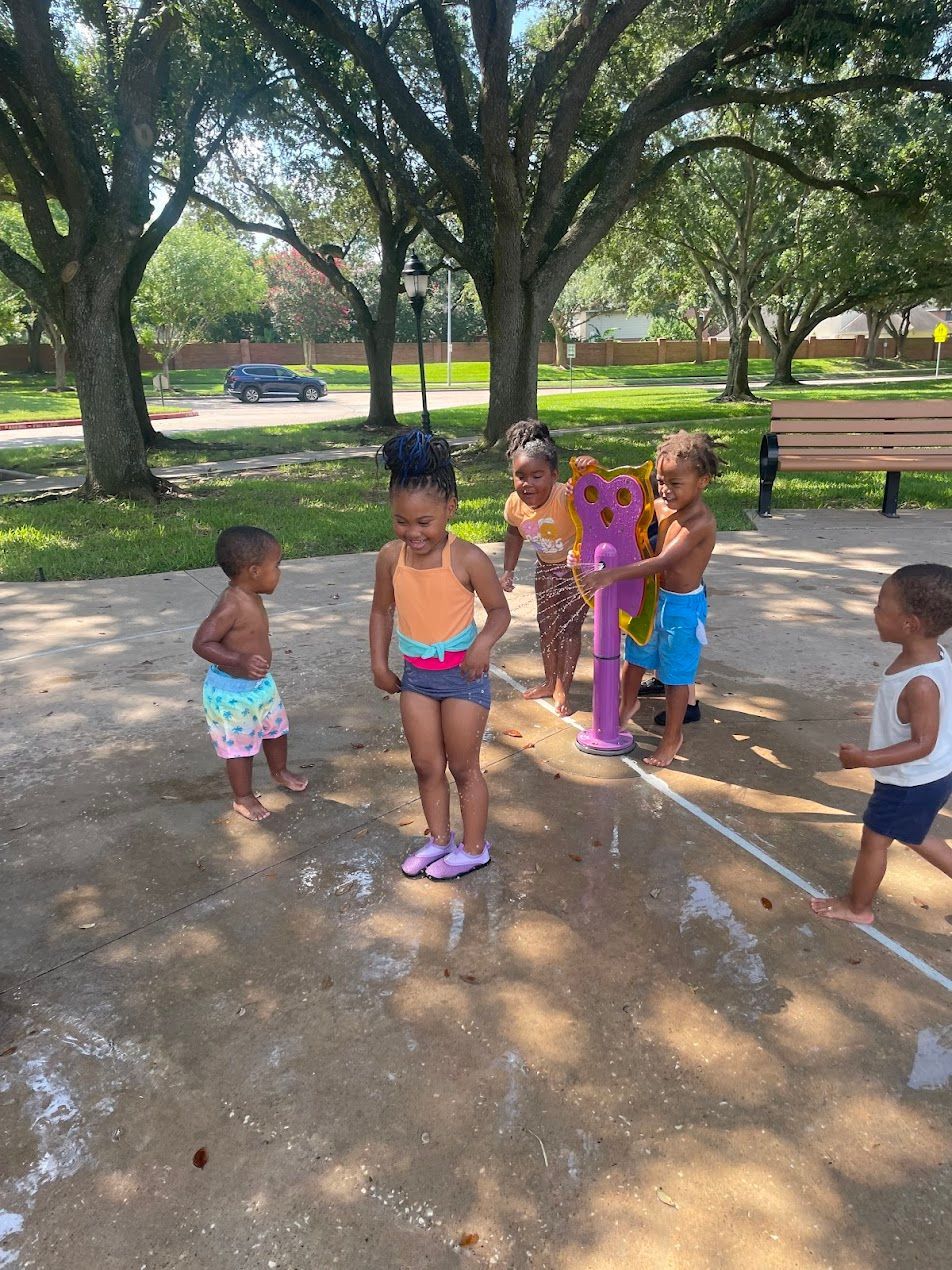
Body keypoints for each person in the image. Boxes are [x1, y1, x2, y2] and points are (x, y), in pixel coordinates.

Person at [370, 428, 511, 881]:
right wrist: (378, 662)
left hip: (463, 678)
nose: (413, 533)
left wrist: (481, 645)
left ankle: (474, 848)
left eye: (424, 522)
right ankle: (438, 839)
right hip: (417, 678)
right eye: (401, 521)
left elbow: (498, 612)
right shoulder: (391, 558)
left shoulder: (467, 558)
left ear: (450, 507)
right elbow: (381, 611)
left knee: (464, 767)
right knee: (426, 764)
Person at [811, 563, 952, 925]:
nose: (874, 612)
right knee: (913, 833)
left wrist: (865, 758)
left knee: (876, 841)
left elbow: (923, 742)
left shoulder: (920, 683)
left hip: (911, 780)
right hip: (927, 776)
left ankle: (857, 908)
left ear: (910, 624)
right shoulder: (931, 654)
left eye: (881, 607)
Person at [581, 430, 720, 768]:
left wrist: (611, 575)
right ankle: (626, 706)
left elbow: (664, 561)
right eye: (661, 480)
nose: (665, 489)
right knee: (635, 657)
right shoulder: (657, 505)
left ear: (703, 480)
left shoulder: (701, 522)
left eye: (675, 483)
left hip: (683, 608)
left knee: (675, 677)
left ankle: (673, 736)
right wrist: (589, 475)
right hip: (653, 598)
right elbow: (618, 502)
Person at [193, 526, 308, 822]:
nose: (280, 572)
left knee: (276, 731)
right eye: (277, 565)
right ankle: (243, 797)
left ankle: (278, 770)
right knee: (239, 749)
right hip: (231, 693)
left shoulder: (251, 593)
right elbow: (202, 642)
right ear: (254, 571)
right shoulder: (231, 603)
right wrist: (238, 659)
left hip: (260, 685)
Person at [500, 420, 596, 715]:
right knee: (547, 625)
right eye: (520, 476)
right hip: (545, 569)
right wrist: (509, 570)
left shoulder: (566, 496)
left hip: (577, 570)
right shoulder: (514, 504)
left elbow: (595, 494)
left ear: (554, 475)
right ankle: (548, 680)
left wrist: (590, 468)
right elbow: (514, 533)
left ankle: (562, 688)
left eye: (537, 476)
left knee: (569, 626)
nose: (527, 484)